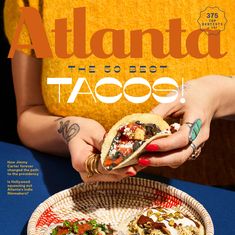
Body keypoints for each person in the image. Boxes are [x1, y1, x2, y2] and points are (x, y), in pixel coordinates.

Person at [4, 1, 235, 183]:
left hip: (216, 198)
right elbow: (29, 114)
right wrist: (67, 131)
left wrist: (217, 94)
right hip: (78, 201)